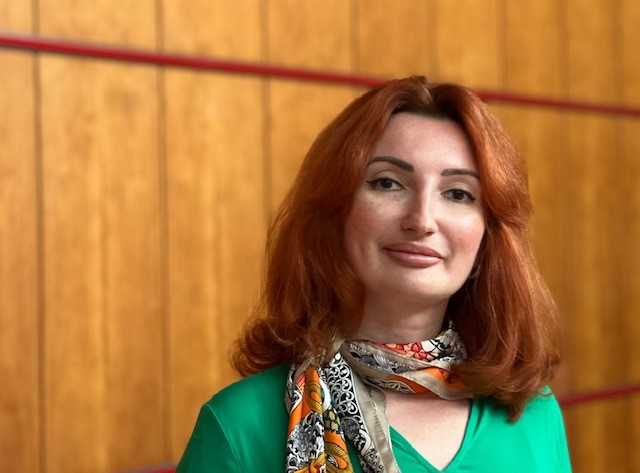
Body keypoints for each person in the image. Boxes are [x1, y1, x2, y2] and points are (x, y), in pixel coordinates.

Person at [176, 76, 572, 472]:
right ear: (334, 215)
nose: (422, 220)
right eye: (388, 183)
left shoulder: (534, 414)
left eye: (457, 193)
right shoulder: (240, 426)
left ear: (487, 236)